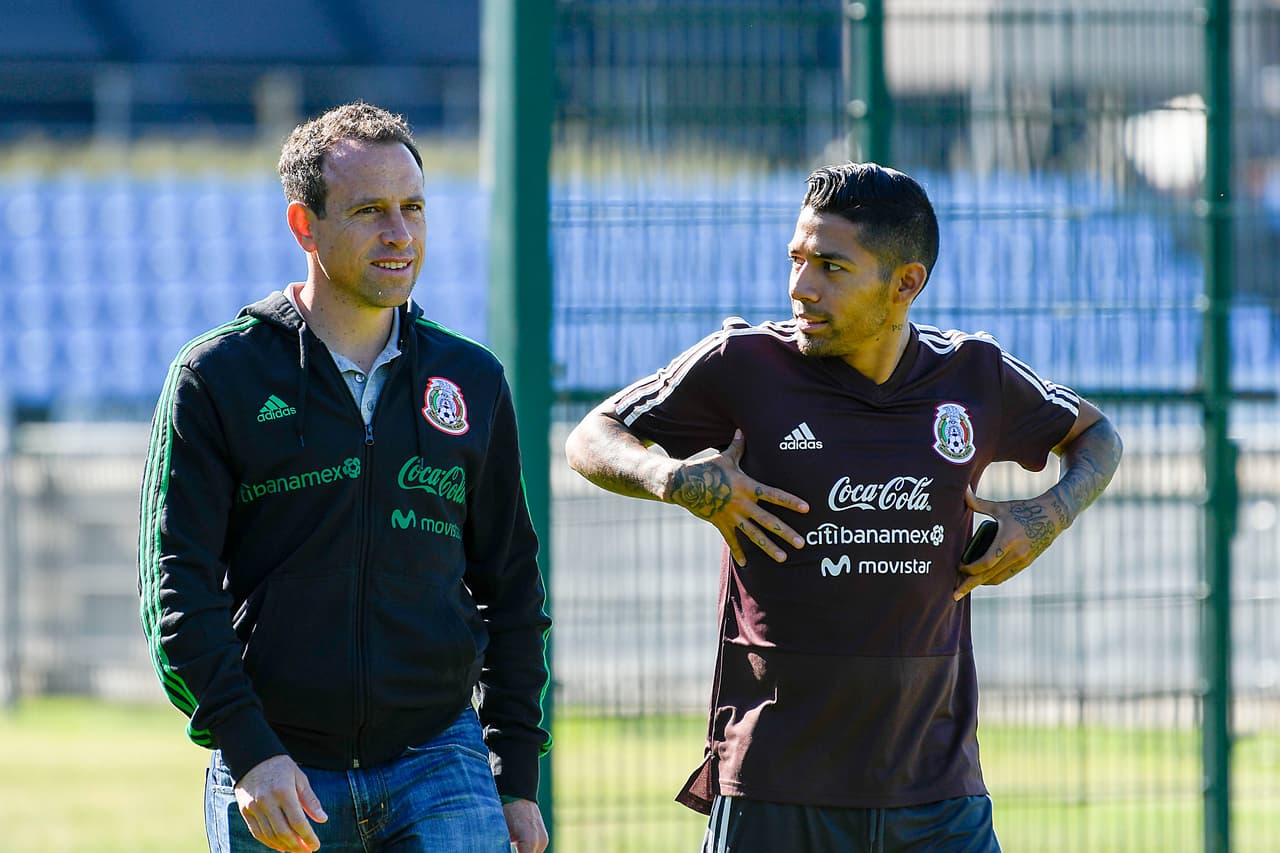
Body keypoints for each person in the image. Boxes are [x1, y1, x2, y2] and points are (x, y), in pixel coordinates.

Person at [564, 162, 1122, 852]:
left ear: (905, 284)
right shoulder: (743, 363)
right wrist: (674, 478)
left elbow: (1097, 435)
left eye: (831, 266)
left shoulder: (973, 374)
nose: (801, 286)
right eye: (797, 259)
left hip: (937, 793)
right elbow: (591, 436)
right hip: (775, 786)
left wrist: (1046, 517)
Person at [138, 102, 550, 853]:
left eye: (414, 208)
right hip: (277, 762)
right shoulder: (216, 377)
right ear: (305, 225)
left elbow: (513, 588)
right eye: (370, 211)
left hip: (440, 754)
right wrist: (248, 746)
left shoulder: (472, 379)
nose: (400, 234)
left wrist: (514, 773)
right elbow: (176, 589)